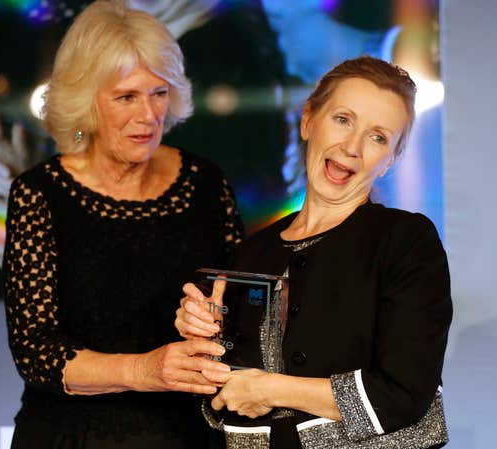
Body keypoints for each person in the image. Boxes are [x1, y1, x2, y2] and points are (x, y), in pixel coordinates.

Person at [175, 56, 452, 449]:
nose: (352, 147)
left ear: (390, 161)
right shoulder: (251, 253)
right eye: (343, 119)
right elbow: (224, 397)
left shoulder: (406, 241)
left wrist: (271, 390)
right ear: (308, 121)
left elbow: (404, 395)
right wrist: (203, 337)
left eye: (378, 137)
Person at [2, 1, 243, 447]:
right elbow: (37, 355)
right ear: (86, 99)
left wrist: (217, 323)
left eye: (159, 93)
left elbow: (242, 311)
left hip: (190, 435)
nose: (148, 116)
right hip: (72, 436)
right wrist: (147, 370)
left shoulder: (207, 183)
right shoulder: (40, 194)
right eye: (126, 96)